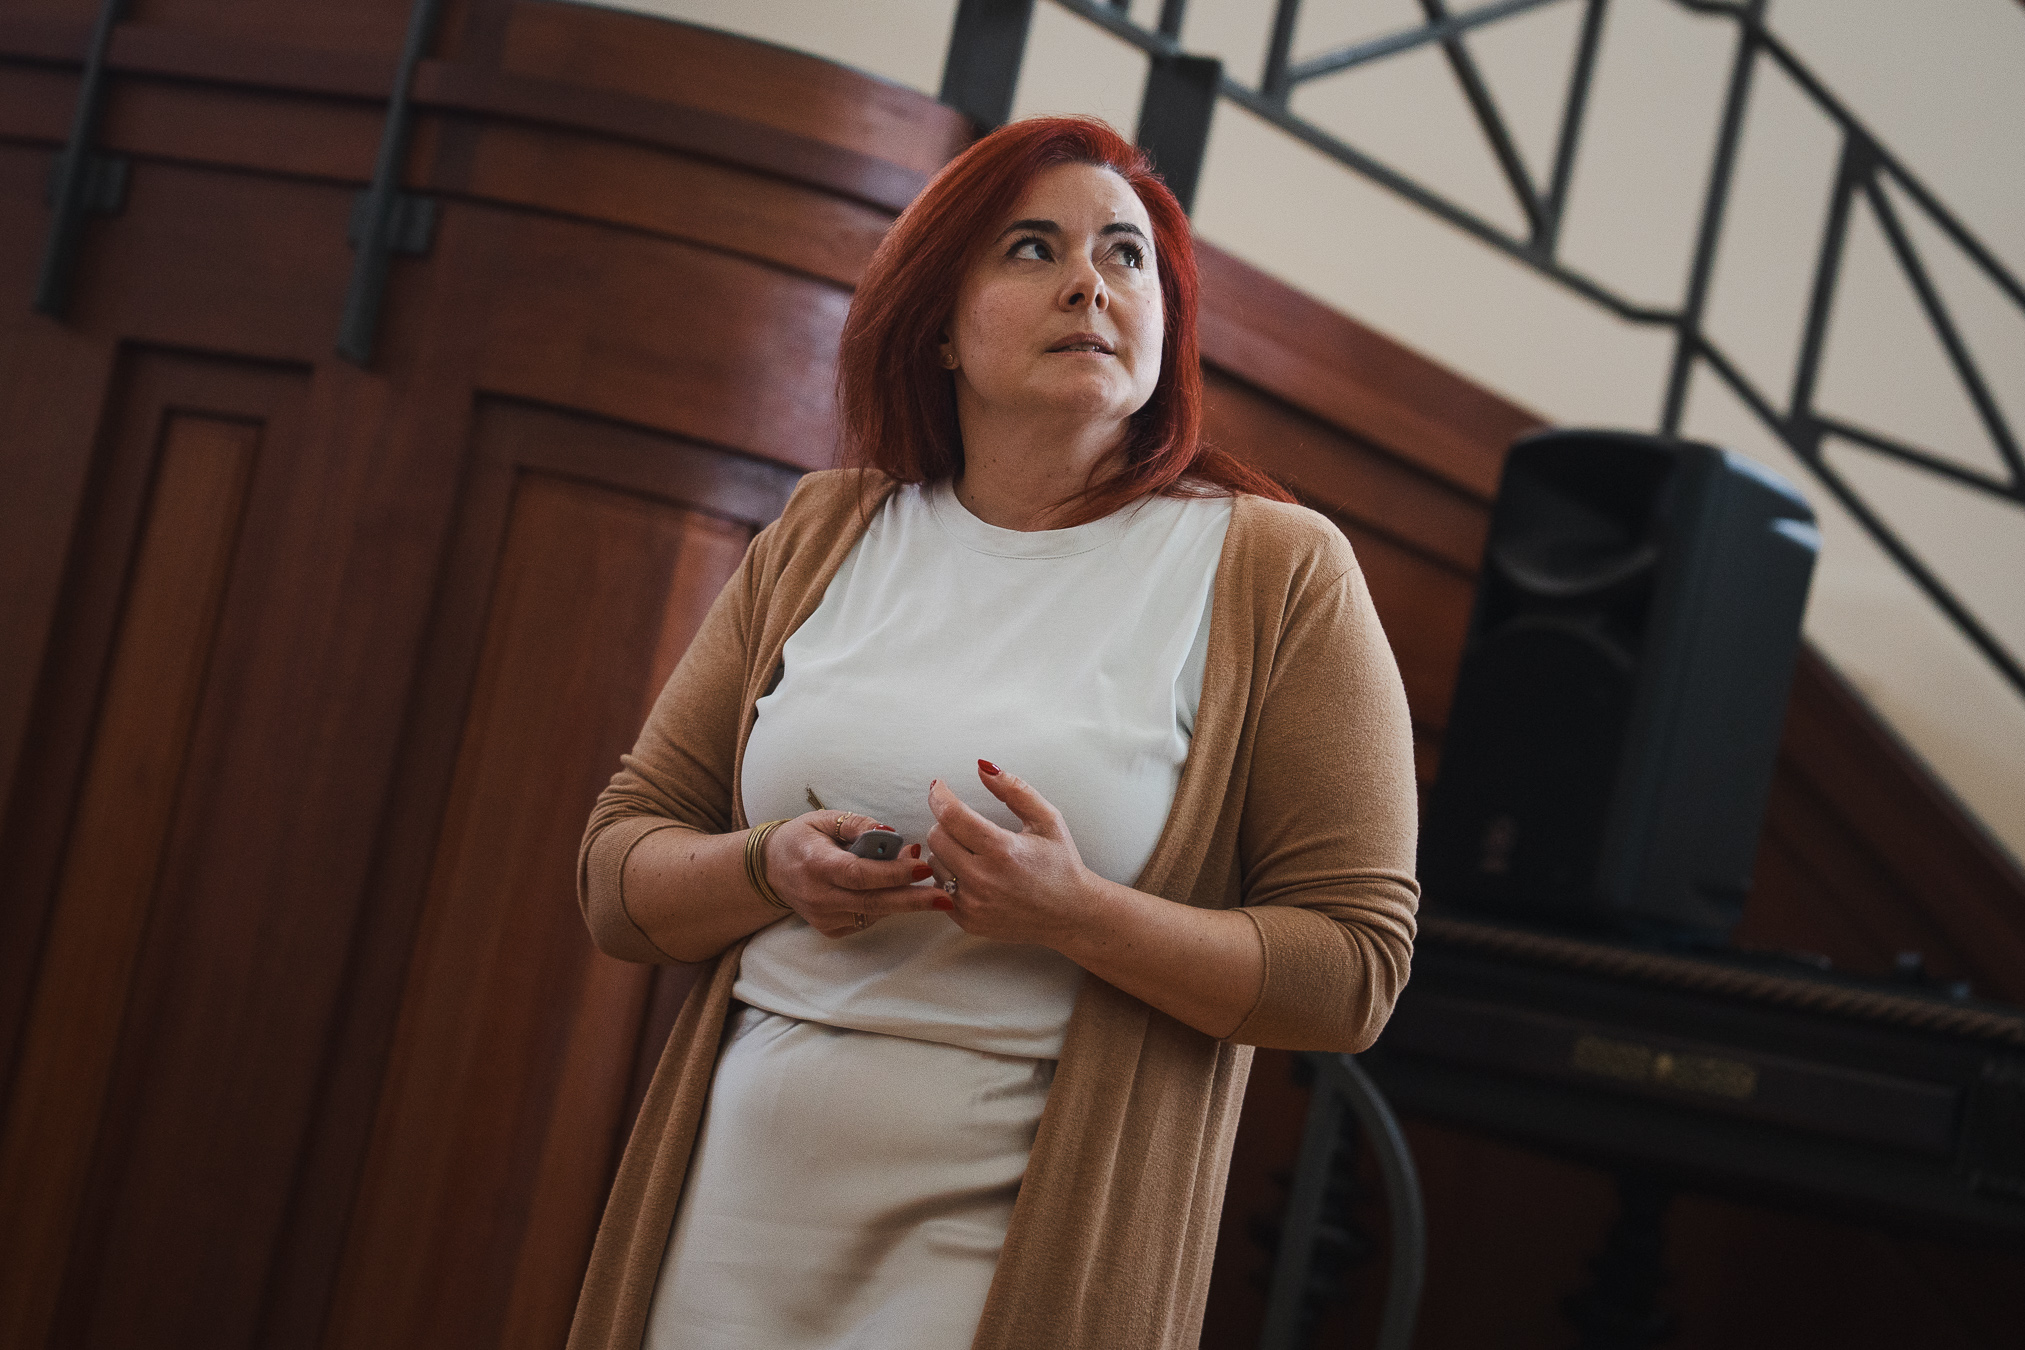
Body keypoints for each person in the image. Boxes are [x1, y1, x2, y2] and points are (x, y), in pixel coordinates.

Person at [568, 116, 1419, 1350]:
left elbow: (1352, 972)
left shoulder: (1274, 569)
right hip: (732, 1224)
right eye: (1034, 248)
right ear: (937, 326)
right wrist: (765, 867)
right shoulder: (824, 532)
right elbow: (616, 875)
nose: (1091, 283)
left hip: (1018, 1261)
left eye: (1127, 255)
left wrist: (1076, 913)